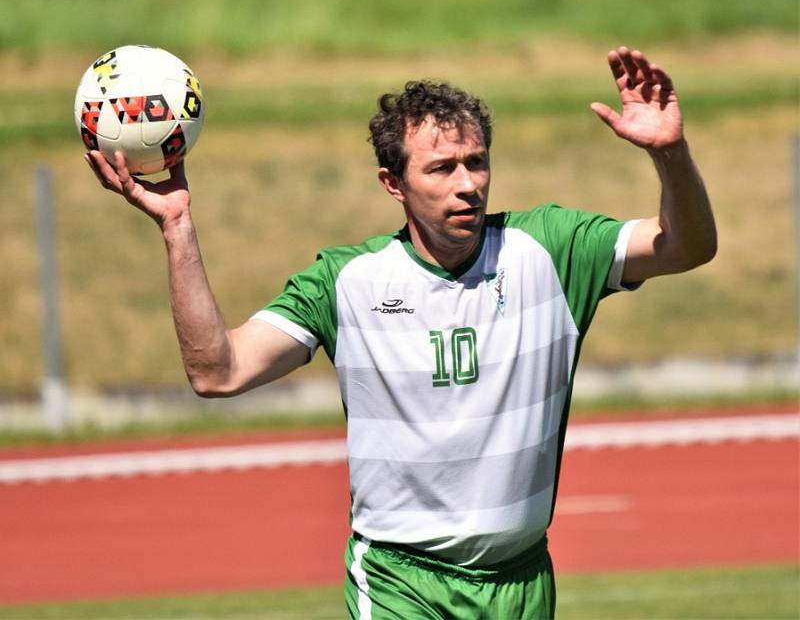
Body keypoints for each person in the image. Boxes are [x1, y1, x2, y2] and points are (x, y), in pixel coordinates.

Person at [86, 46, 716, 619]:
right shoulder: (346, 281)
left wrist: (669, 153)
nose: (467, 184)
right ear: (394, 184)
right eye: (441, 169)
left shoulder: (551, 248)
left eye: (477, 163)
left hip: (523, 582)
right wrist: (176, 226)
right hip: (398, 583)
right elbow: (217, 371)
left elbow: (687, 246)